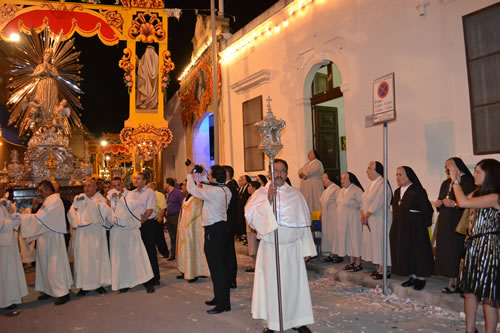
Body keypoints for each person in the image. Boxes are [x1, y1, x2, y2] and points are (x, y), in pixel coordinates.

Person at [245, 159, 315, 333]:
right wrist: (268, 201)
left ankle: (297, 320)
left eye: (282, 171)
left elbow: (304, 224)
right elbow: (252, 221)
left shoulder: (296, 195)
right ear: (269, 173)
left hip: (292, 250)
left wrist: (307, 248)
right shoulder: (260, 194)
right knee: (272, 288)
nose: (279, 174)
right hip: (270, 250)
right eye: (275, 171)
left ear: (287, 173)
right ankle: (272, 323)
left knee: (294, 287)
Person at [450, 159, 500, 333]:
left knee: (488, 295)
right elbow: (461, 199)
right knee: (469, 291)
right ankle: (470, 330)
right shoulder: (477, 193)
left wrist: (456, 181)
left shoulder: (495, 197)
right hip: (473, 247)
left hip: (489, 248)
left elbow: (463, 203)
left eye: (478, 171)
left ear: (490, 175)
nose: (474, 174)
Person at [186, 164, 232, 314]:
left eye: (210, 174)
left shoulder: (214, 192)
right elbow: (207, 186)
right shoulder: (224, 189)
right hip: (221, 229)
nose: (208, 177)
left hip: (214, 231)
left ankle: (223, 303)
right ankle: (220, 298)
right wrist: (205, 174)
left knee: (217, 268)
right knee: (219, 267)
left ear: (214, 177)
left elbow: (193, 190)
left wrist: (189, 175)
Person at [19, 180, 72, 305]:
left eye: (41, 191)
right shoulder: (49, 200)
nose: (40, 194)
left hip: (53, 239)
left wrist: (23, 217)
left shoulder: (54, 200)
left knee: (55, 266)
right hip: (45, 238)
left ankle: (62, 293)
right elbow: (40, 216)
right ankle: (48, 290)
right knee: (45, 266)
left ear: (48, 190)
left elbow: (41, 218)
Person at [106, 177, 154, 293]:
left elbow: (133, 205)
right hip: (117, 231)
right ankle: (124, 282)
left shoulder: (130, 194)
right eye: (114, 186)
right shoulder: (109, 197)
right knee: (121, 258)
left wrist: (121, 198)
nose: (116, 188)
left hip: (130, 230)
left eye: (118, 185)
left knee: (138, 257)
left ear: (122, 184)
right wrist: (108, 203)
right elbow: (108, 213)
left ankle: (147, 282)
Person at [390, 166, 434, 291]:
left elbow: (427, 209)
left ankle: (421, 278)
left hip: (416, 228)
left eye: (400, 174)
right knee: (407, 251)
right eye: (397, 175)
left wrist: (421, 224)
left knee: (417, 252)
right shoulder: (397, 192)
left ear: (408, 175)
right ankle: (412, 276)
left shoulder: (417, 190)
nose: (397, 177)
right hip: (401, 227)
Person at [435, 158, 475, 293]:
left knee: (456, 251)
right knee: (447, 251)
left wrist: (454, 204)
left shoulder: (469, 182)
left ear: (458, 167)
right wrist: (439, 203)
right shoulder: (446, 182)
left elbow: (470, 203)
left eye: (449, 166)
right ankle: (451, 280)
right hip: (446, 221)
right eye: (445, 167)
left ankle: (458, 283)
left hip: (458, 221)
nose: (447, 169)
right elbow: (442, 197)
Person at [67, 178, 111, 296]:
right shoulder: (79, 199)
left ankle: (98, 284)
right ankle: (84, 285)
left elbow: (101, 214)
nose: (87, 188)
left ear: (96, 187)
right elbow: (71, 214)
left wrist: (87, 201)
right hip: (82, 234)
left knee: (97, 259)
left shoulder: (100, 199)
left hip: (95, 233)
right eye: (85, 186)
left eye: (90, 186)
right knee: (83, 260)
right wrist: (75, 206)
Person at [361, 161, 393, 280]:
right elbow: (364, 200)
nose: (367, 171)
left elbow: (379, 202)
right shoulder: (371, 184)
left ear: (377, 171)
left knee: (381, 242)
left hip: (380, 218)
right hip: (371, 219)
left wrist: (367, 214)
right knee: (375, 243)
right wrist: (362, 213)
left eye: (369, 168)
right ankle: (379, 268)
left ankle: (385, 269)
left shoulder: (382, 184)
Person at [176, 180, 210, 282]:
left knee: (193, 250)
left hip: (193, 229)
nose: (182, 187)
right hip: (183, 228)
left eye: (185, 185)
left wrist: (188, 227)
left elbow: (194, 215)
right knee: (183, 250)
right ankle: (185, 270)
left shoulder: (196, 198)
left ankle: (193, 272)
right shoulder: (185, 198)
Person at [0, 185, 27, 311]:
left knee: (9, 270)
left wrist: (13, 218)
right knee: (5, 271)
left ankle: (9, 298)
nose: (3, 191)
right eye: (1, 188)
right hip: (3, 244)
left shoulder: (1, 204)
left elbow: (4, 220)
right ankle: (5, 300)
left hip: (7, 241)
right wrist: (12, 222)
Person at [129, 173, 158, 289]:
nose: (136, 181)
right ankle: (140, 276)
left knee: (149, 250)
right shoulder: (132, 193)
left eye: (139, 179)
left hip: (147, 224)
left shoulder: (150, 192)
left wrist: (141, 220)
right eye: (136, 179)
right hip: (135, 224)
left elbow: (149, 209)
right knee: (137, 251)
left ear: (145, 181)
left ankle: (154, 277)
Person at [337, 172, 364, 272]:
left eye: (344, 178)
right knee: (348, 240)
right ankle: (351, 261)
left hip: (354, 219)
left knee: (355, 240)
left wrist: (363, 216)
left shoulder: (357, 190)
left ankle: (358, 262)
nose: (342, 180)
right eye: (341, 178)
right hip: (343, 220)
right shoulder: (341, 191)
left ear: (350, 179)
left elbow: (362, 205)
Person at [320, 171, 341, 263]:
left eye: (325, 178)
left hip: (334, 216)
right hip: (326, 217)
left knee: (334, 235)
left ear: (330, 179)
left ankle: (338, 254)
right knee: (327, 235)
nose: (322, 180)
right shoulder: (325, 191)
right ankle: (331, 253)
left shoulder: (336, 189)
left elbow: (340, 203)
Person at [223, 165, 239, 288]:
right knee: (228, 252)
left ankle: (231, 278)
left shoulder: (230, 188)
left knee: (229, 253)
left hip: (228, 224)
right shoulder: (229, 187)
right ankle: (229, 277)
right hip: (229, 223)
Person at [147, 182, 170, 259]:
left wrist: (161, 217)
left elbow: (163, 207)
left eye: (148, 187)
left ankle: (165, 253)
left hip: (157, 219)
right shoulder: (149, 195)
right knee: (151, 237)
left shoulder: (159, 195)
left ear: (152, 187)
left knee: (159, 237)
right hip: (150, 219)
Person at [165, 178, 185, 261]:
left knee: (177, 236)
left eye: (165, 183)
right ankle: (173, 254)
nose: (164, 185)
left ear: (168, 184)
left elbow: (182, 204)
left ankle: (179, 254)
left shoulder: (177, 193)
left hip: (176, 216)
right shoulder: (168, 193)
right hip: (169, 216)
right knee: (172, 236)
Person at [244, 181, 262, 272]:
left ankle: (255, 265)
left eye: (250, 186)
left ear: (254, 188)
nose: (248, 188)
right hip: (249, 226)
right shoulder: (251, 197)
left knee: (255, 247)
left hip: (254, 227)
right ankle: (254, 264)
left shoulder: (256, 198)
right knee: (252, 246)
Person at [136, 45, 159, 110]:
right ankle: (152, 103)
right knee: (151, 90)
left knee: (147, 90)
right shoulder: (157, 58)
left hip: (148, 83)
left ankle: (146, 103)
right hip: (152, 83)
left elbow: (140, 65)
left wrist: (138, 60)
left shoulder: (145, 57)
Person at [237, 175, 252, 241]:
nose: (240, 180)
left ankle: (245, 236)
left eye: (242, 179)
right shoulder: (241, 188)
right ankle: (242, 235)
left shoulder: (249, 187)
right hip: (240, 209)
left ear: (247, 180)